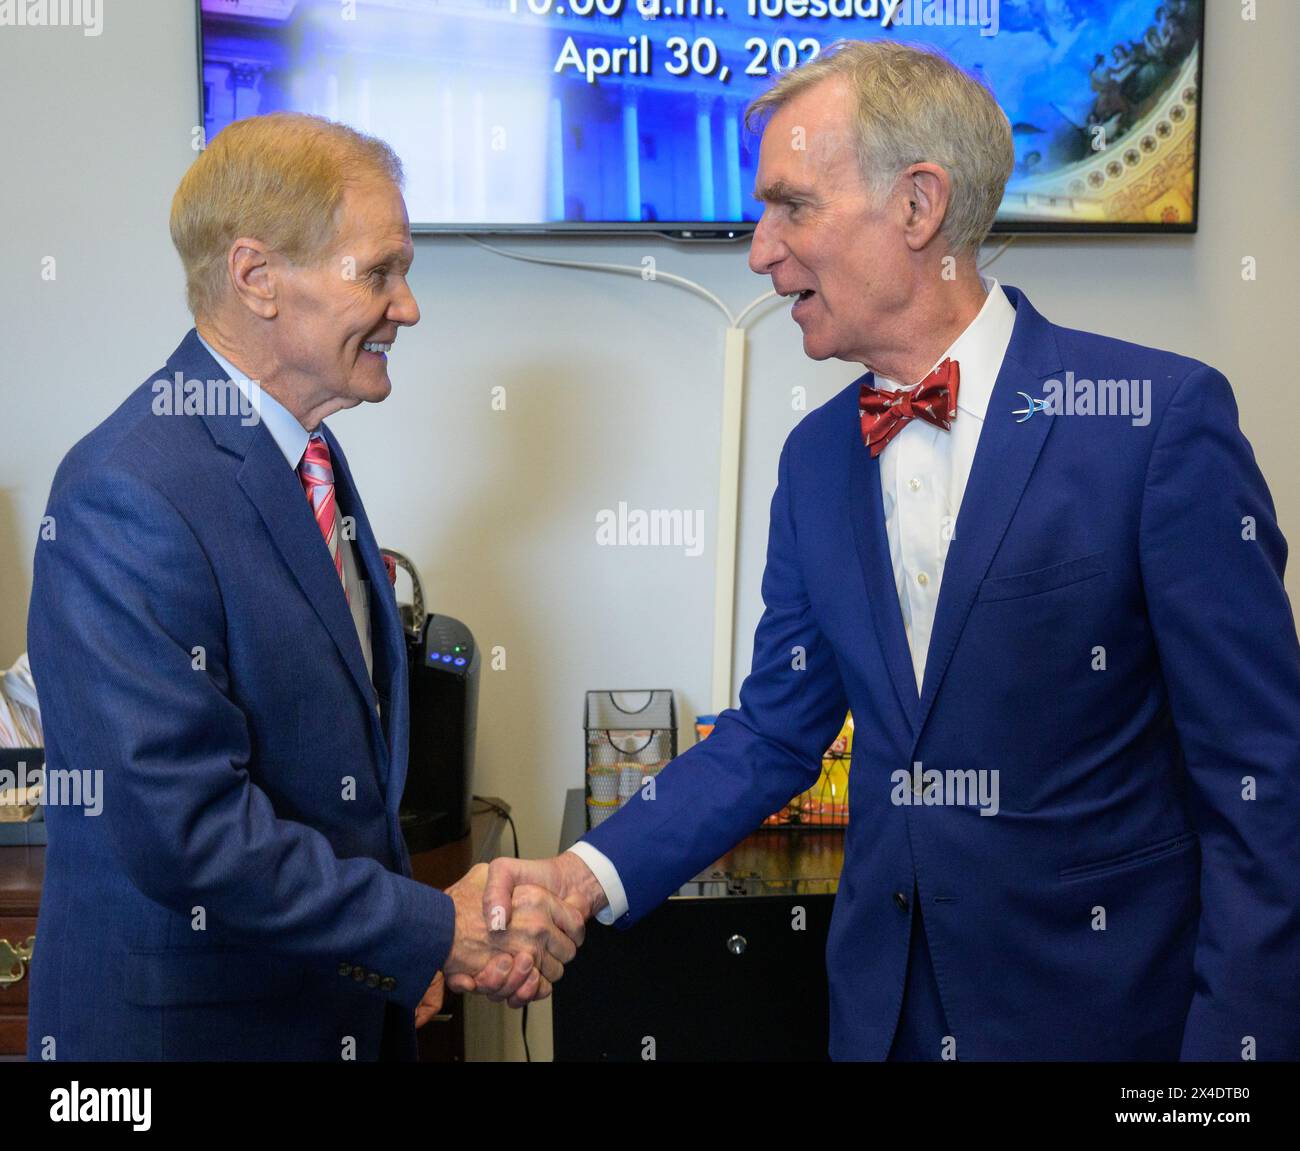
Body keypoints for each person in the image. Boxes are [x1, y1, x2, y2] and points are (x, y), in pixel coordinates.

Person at [478, 41, 1300, 1061]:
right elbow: (775, 732)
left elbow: (1261, 780)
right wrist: (579, 874)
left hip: (1105, 1024)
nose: (759, 250)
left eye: (791, 206)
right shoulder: (817, 456)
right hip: (882, 1019)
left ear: (918, 207)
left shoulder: (1158, 423)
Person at [26, 113, 580, 1061]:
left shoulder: (305, 455)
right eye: (378, 272)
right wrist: (430, 931)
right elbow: (190, 833)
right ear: (256, 278)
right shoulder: (126, 489)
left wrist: (382, 968)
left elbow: (339, 791)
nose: (407, 307)